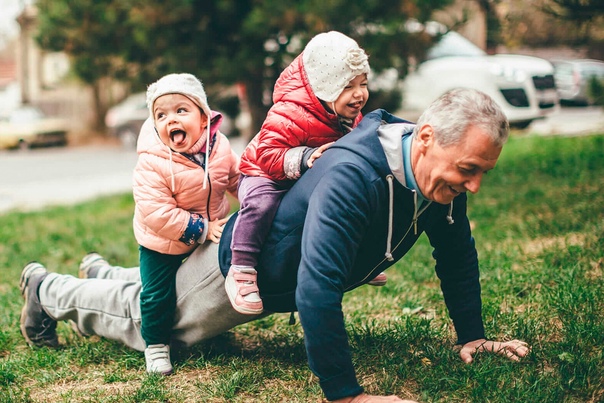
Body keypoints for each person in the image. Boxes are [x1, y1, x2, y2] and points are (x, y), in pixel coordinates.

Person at [19, 88, 530, 403]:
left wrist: (472, 335)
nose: (475, 186)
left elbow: (457, 253)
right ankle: (46, 291)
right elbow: (317, 286)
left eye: (483, 171)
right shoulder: (356, 175)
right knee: (145, 320)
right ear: (425, 139)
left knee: (153, 292)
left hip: (266, 271)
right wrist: (345, 394)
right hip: (237, 272)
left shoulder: (434, 178)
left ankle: (106, 273)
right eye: (469, 169)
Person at [227, 31, 386, 315]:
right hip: (264, 172)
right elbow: (266, 154)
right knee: (261, 205)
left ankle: (355, 258)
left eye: (363, 83)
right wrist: (303, 157)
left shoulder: (346, 115)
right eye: (348, 86)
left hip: (306, 174)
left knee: (345, 201)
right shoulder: (288, 112)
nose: (359, 93)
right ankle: (241, 268)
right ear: (324, 87)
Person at [131, 73, 239, 375]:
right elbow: (156, 212)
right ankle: (155, 345)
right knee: (157, 293)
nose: (171, 120)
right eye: (161, 115)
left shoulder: (219, 147)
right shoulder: (152, 161)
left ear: (204, 118)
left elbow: (235, 178)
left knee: (210, 280)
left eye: (181, 110)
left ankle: (212, 325)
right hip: (162, 240)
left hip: (210, 227)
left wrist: (253, 195)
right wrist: (202, 230)